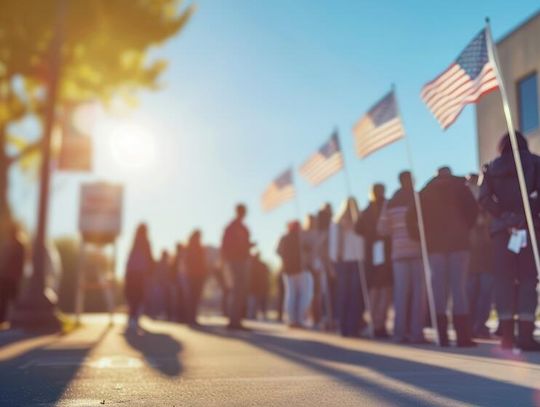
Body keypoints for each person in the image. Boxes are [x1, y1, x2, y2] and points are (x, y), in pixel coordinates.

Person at [479, 132, 540, 351]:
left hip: (501, 232)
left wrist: (504, 216)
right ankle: (525, 334)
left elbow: (483, 198)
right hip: (528, 229)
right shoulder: (535, 162)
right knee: (527, 280)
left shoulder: (490, 167)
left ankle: (506, 336)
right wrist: (524, 216)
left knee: (503, 280)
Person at [408, 167, 478, 347]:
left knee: (439, 291)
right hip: (459, 243)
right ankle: (463, 337)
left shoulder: (426, 190)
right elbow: (473, 211)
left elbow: (410, 217)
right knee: (459, 290)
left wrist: (422, 237)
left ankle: (442, 337)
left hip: (435, 246)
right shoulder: (461, 187)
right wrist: (465, 229)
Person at [378, 171, 427, 343]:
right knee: (418, 295)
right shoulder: (418, 198)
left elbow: (382, 229)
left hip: (398, 252)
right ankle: (416, 333)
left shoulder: (390, 202)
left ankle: (399, 333)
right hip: (417, 251)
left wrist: (396, 231)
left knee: (401, 294)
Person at [356, 183, 393, 338]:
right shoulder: (371, 210)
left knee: (381, 290)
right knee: (380, 290)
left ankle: (378, 324)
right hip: (376, 255)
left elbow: (358, 229)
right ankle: (377, 324)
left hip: (382, 254)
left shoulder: (372, 209)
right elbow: (358, 229)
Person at [329, 198, 366, 337]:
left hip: (357, 261)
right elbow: (333, 246)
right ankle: (343, 326)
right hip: (343, 263)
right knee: (344, 295)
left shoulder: (360, 222)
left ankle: (354, 326)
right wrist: (333, 263)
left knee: (356, 296)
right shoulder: (337, 224)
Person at [466, 173, 494, 339]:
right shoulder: (467, 202)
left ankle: (478, 326)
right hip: (475, 254)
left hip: (483, 253)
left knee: (481, 292)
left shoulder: (485, 201)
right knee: (477, 292)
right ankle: (475, 326)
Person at [221, 203, 252, 330]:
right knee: (236, 289)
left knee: (240, 290)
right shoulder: (232, 227)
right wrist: (225, 261)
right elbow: (225, 245)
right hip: (234, 261)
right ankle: (233, 320)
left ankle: (236, 319)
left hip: (242, 260)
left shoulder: (243, 228)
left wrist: (248, 246)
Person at [277, 221, 312, 327]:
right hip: (299, 269)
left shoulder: (284, 238)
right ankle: (299, 319)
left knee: (291, 295)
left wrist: (286, 259)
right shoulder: (300, 238)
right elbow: (308, 249)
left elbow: (278, 251)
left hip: (287, 270)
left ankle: (292, 319)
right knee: (302, 295)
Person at [125, 223, 154, 332]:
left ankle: (131, 320)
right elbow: (149, 258)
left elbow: (129, 260)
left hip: (131, 273)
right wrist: (151, 270)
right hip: (141, 273)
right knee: (138, 297)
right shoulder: (145, 242)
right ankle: (134, 320)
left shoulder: (134, 242)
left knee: (132, 297)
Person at [0, 223, 25, 327]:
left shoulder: (18, 245)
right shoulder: (9, 244)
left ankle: (13, 319)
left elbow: (20, 263)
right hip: (6, 277)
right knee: (4, 299)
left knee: (11, 299)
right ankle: (3, 320)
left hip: (11, 278)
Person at [185, 229, 208, 325]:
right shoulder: (194, 248)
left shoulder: (193, 247)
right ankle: (191, 317)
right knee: (193, 297)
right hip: (195, 275)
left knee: (193, 297)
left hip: (196, 275)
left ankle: (192, 317)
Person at [247, 252, 270, 320]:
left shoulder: (251, 265)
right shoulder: (262, 265)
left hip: (254, 287)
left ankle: (251, 315)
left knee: (253, 302)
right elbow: (266, 275)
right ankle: (257, 315)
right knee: (260, 301)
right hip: (259, 286)